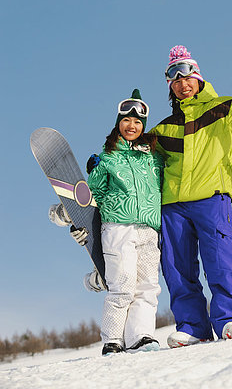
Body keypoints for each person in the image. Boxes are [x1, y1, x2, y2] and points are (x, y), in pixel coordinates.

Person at [148, 45, 232, 348]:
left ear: (198, 78)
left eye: (187, 78)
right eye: (175, 81)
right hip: (172, 204)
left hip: (211, 197)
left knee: (221, 260)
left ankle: (228, 319)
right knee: (177, 268)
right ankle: (192, 327)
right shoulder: (163, 129)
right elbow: (143, 163)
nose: (182, 84)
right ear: (171, 87)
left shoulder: (224, 110)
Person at [49, 89, 164, 355]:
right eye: (126, 120)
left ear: (143, 126)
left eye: (137, 122)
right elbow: (93, 197)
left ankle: (142, 336)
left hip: (149, 229)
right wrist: (76, 221)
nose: (132, 126)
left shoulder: (154, 157)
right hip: (118, 228)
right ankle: (113, 339)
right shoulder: (106, 158)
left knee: (148, 287)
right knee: (122, 286)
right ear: (118, 123)